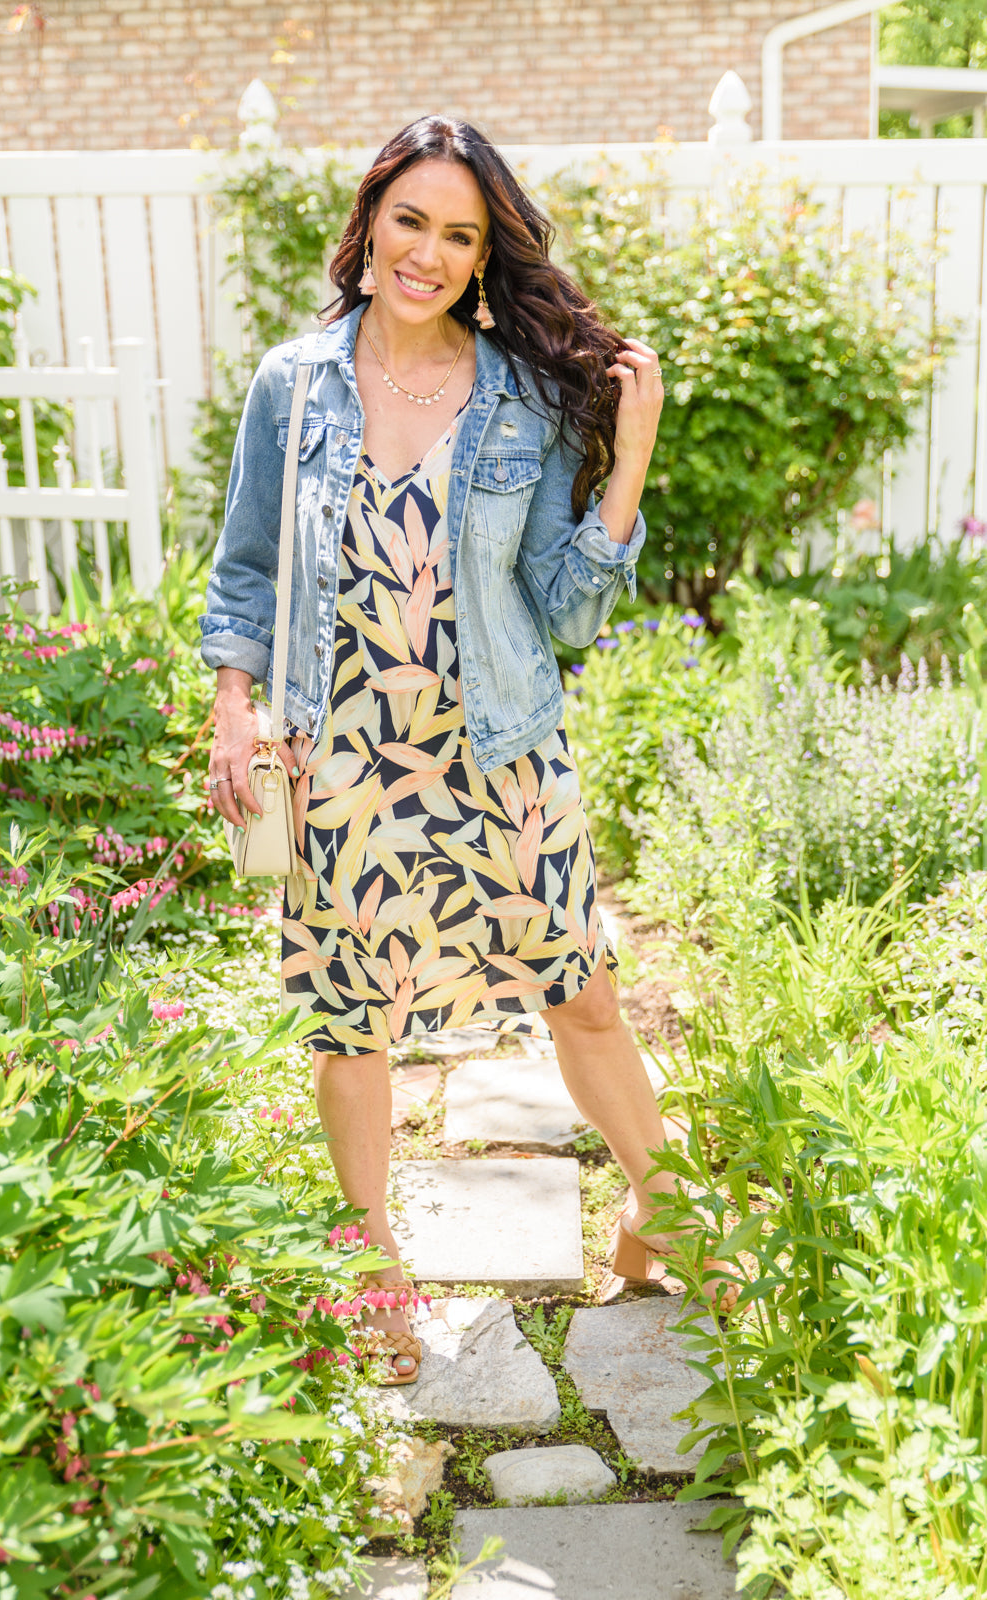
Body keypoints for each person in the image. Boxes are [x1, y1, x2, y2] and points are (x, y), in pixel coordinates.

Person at [200, 115, 734, 1384]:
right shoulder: (294, 384)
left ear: (486, 256)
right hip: (339, 754)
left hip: (497, 744)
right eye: (411, 221)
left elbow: (566, 608)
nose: (427, 254)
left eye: (459, 234)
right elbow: (246, 568)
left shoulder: (521, 398)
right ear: (371, 219)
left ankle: (665, 1211)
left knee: (581, 987)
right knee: (350, 1021)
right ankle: (375, 1267)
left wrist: (631, 459)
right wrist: (233, 705)